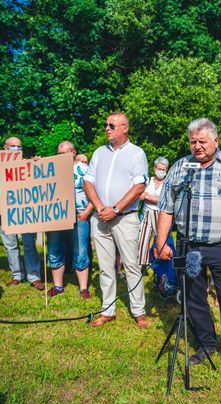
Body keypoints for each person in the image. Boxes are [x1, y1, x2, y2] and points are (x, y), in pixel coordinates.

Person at [156, 118, 221, 375]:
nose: (197, 146)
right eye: (193, 142)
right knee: (194, 298)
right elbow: (166, 207)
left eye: (202, 141)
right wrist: (160, 241)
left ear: (216, 140)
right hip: (188, 245)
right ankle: (206, 345)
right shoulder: (180, 167)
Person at [83, 112, 149, 329]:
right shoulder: (99, 153)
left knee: (132, 266)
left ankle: (139, 311)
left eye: (112, 125)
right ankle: (108, 310)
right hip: (100, 217)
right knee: (105, 267)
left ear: (124, 128)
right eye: (106, 125)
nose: (107, 128)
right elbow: (88, 182)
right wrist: (100, 208)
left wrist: (116, 209)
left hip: (125, 218)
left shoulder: (136, 153)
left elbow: (139, 187)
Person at [45, 141, 93, 299]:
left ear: (73, 153)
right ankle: (58, 286)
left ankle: (83, 288)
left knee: (80, 249)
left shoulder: (85, 170)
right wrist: (36, 163)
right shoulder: (50, 168)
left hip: (79, 214)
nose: (60, 156)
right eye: (58, 153)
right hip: (56, 215)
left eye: (64, 153)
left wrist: (87, 211)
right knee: (54, 248)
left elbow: (96, 192)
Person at [0, 137, 43, 290]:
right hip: (4, 211)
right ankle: (17, 275)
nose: (17, 149)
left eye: (19, 146)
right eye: (13, 146)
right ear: (5, 147)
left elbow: (39, 178)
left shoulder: (26, 163)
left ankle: (34, 276)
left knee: (29, 243)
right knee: (10, 244)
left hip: (24, 211)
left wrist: (38, 164)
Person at [138, 156, 169, 265]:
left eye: (163, 169)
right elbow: (140, 196)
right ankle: (141, 264)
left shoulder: (167, 183)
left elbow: (164, 200)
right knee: (142, 240)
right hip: (146, 213)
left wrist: (147, 197)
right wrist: (154, 198)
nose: (161, 171)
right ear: (155, 168)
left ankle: (160, 266)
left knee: (161, 240)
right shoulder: (147, 181)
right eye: (159, 169)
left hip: (161, 215)